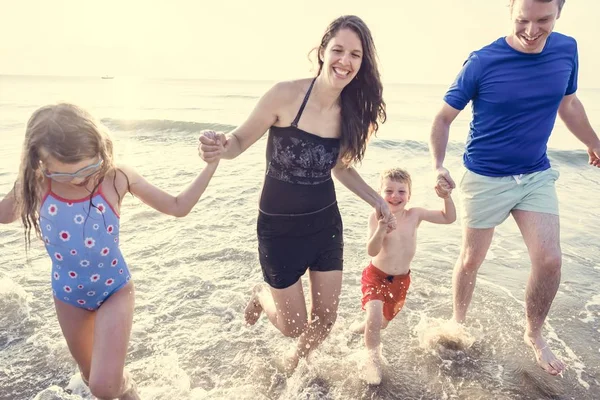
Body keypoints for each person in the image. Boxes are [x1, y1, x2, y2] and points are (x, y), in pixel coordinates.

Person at [198, 15, 392, 371]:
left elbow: (342, 167)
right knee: (294, 326)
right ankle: (261, 294)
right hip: (278, 228)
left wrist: (376, 200)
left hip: (324, 224)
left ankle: (293, 360)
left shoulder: (353, 112)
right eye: (338, 50)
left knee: (326, 318)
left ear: (362, 63)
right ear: (322, 51)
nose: (344, 61)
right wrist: (218, 146)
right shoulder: (285, 95)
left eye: (355, 54)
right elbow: (238, 141)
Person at [0, 103, 218, 399]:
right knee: (93, 379)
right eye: (65, 175)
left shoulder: (116, 178)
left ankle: (122, 387)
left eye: (90, 167)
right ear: (40, 162)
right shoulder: (37, 185)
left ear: (101, 148)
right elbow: (3, 215)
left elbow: (178, 206)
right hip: (68, 297)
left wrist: (211, 165)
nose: (80, 179)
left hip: (113, 289)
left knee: (104, 388)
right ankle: (128, 391)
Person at [429, 0, 600, 376]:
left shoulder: (567, 49)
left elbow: (568, 104)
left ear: (559, 12)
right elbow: (443, 118)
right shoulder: (482, 61)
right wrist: (439, 164)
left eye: (543, 20)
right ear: (510, 12)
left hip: (535, 174)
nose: (531, 30)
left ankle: (534, 334)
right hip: (486, 176)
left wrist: (594, 142)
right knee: (472, 259)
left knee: (550, 260)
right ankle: (458, 321)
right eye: (522, 20)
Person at [350, 168, 456, 384]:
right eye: (388, 191)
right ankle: (373, 359)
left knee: (381, 323)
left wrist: (447, 197)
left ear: (409, 195)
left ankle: (363, 326)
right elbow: (371, 251)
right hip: (376, 276)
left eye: (401, 191)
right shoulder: (376, 217)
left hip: (400, 281)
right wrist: (381, 230)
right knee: (375, 317)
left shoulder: (414, 215)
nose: (395, 196)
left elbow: (448, 218)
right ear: (379, 193)